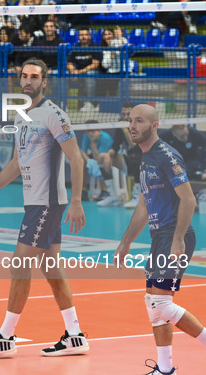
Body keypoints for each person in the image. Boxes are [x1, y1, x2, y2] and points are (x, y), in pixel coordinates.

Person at [0, 58, 89, 359]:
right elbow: (16, 164)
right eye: (23, 76)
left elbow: (77, 158)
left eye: (34, 77)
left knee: (20, 263)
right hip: (36, 201)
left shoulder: (53, 115)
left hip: (48, 202)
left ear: (44, 82)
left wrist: (76, 201)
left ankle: (5, 337)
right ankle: (75, 335)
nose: (28, 81)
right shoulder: (22, 116)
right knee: (51, 267)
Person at [114, 104, 206, 375]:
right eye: (130, 120)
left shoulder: (166, 155)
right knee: (153, 305)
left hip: (173, 234)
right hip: (159, 237)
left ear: (154, 125)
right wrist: (126, 241)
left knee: (161, 304)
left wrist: (178, 239)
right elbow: (144, 205)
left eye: (139, 121)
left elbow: (188, 198)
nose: (132, 125)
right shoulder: (145, 157)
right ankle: (165, 370)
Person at [106, 101, 143, 208]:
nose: (126, 117)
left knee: (136, 158)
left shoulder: (140, 124)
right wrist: (109, 154)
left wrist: (126, 130)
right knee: (102, 158)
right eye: (124, 114)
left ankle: (136, 196)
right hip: (130, 159)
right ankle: (113, 195)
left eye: (128, 114)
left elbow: (134, 146)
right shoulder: (120, 124)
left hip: (145, 158)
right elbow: (116, 145)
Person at [66, 28, 101, 113]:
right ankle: (63, 104)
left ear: (90, 36)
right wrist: (73, 72)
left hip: (93, 73)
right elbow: (69, 63)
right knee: (64, 76)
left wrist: (79, 72)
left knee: (90, 74)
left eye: (85, 35)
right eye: (81, 35)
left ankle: (91, 103)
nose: (83, 37)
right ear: (78, 37)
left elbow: (95, 64)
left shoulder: (95, 46)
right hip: (78, 73)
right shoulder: (75, 48)